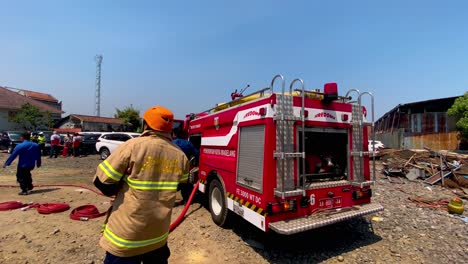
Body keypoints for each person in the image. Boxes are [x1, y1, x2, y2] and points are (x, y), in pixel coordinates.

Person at [93, 106, 189, 264]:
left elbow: (102, 182)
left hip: (126, 239)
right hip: (157, 238)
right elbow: (179, 186)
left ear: (145, 124)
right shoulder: (180, 155)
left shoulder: (132, 146)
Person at [172, 126, 199, 205]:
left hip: (172, 167)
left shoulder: (171, 143)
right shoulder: (187, 143)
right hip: (184, 167)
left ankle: (169, 201)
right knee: (186, 184)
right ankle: (186, 200)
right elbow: (197, 154)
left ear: (174, 134)